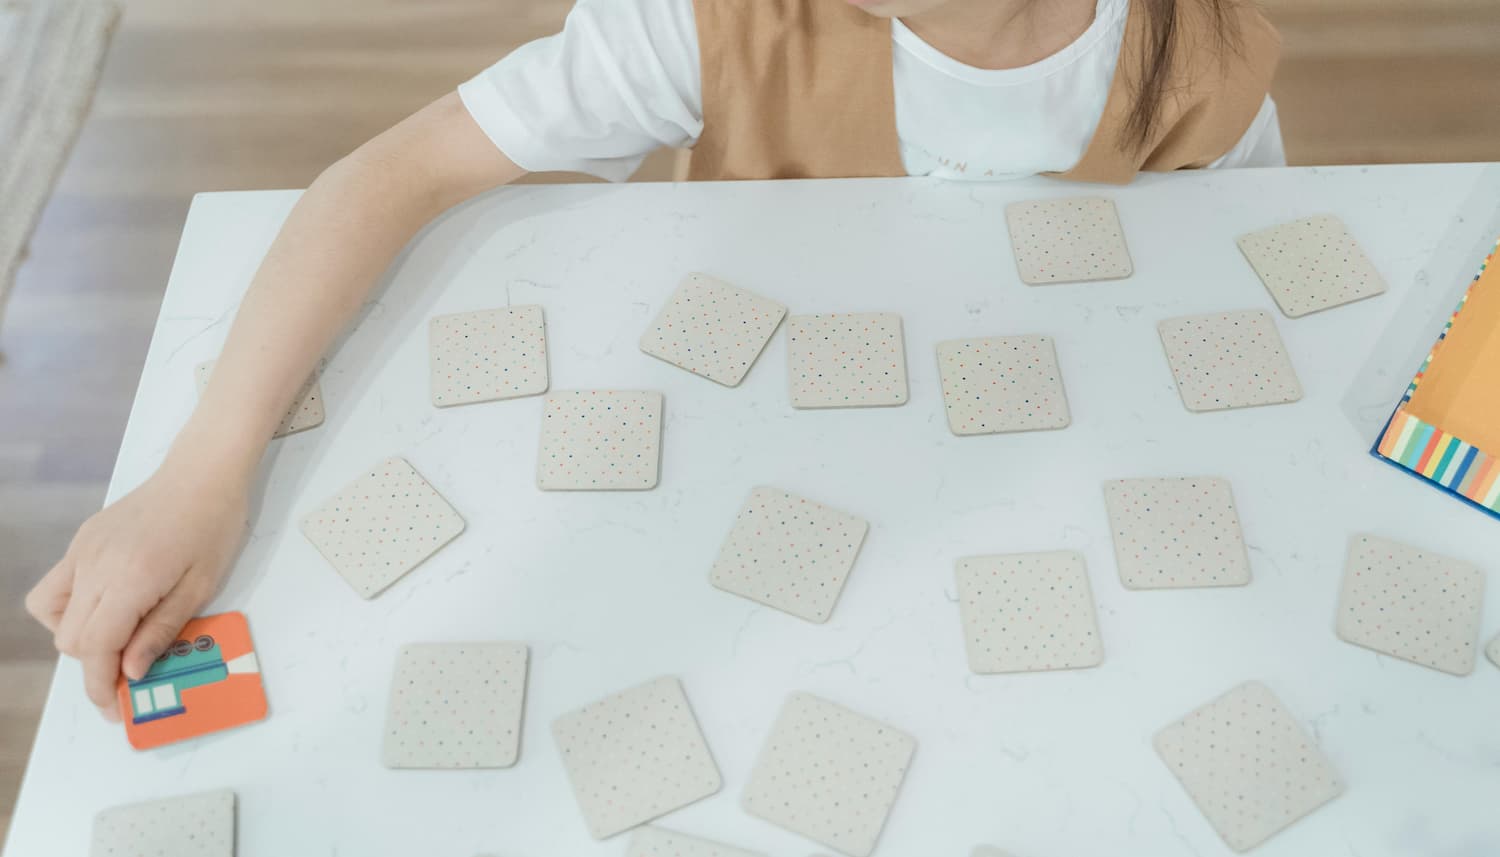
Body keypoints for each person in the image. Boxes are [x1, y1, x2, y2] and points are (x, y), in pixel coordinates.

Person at [26, 0, 1285, 718]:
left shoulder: (1208, 59)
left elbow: (1237, 277)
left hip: (1019, 510)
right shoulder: (707, 22)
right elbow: (397, 171)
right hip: (727, 482)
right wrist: (199, 466)